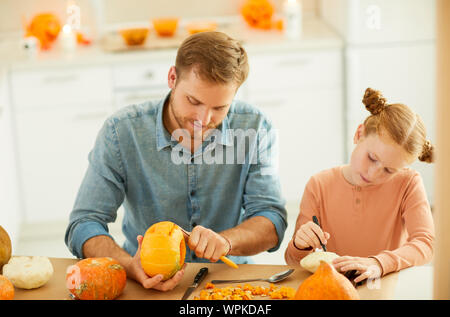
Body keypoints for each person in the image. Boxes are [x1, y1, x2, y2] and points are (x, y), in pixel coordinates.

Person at [65, 31, 287, 291]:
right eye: (193, 101)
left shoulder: (256, 127)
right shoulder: (121, 131)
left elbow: (272, 219)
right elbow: (83, 223)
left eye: (219, 108)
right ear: (172, 78)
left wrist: (226, 242)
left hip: (229, 283)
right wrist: (128, 265)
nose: (203, 120)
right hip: (143, 280)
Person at [285, 88, 435, 284]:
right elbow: (292, 262)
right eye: (372, 157)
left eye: (389, 171)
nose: (373, 174)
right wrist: (299, 244)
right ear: (359, 134)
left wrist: (379, 264)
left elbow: (425, 243)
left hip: (383, 288)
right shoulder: (319, 185)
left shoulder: (408, 183)